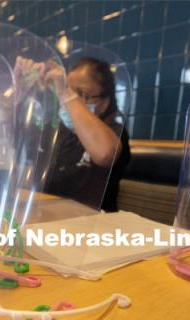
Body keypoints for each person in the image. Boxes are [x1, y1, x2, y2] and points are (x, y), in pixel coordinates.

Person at [15, 56, 131, 211]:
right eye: (67, 88)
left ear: (104, 103)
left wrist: (65, 92)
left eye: (81, 94)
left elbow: (105, 153)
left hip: (93, 225)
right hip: (50, 217)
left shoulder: (113, 131)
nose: (69, 100)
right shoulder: (59, 129)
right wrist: (20, 92)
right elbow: (17, 143)